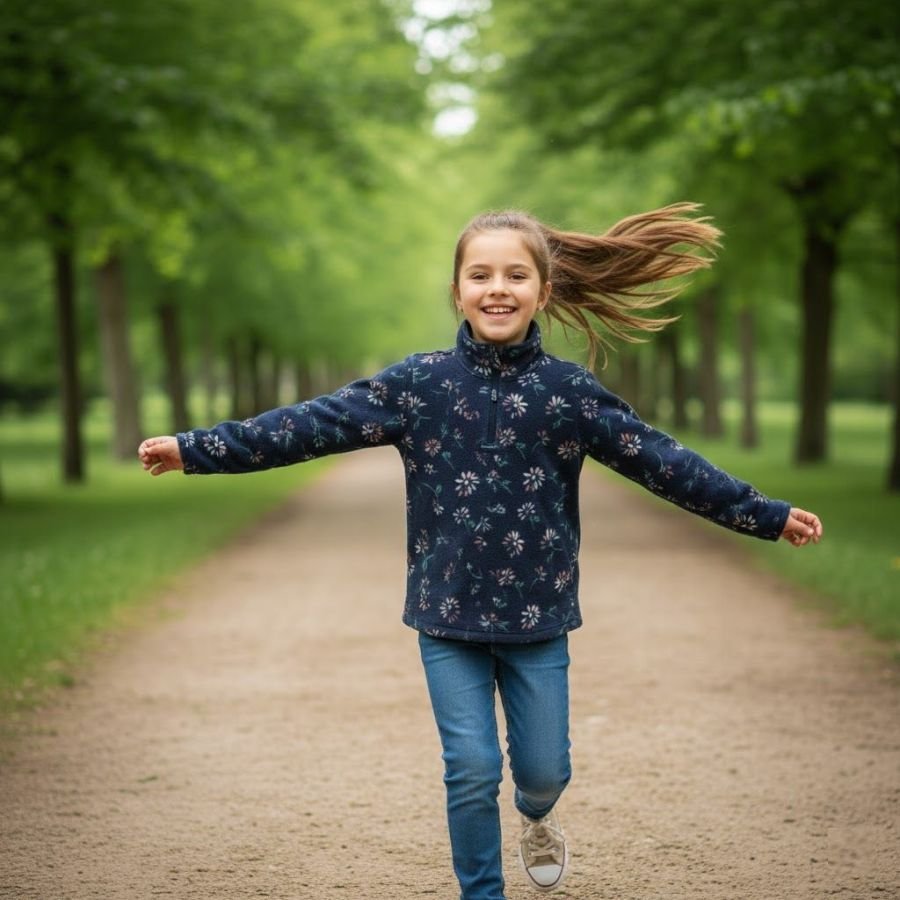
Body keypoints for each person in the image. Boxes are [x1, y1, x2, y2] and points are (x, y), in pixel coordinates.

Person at [138, 204, 822, 899]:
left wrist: (763, 515)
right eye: (481, 274)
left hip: (539, 618)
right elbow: (308, 424)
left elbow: (663, 460)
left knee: (543, 772)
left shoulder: (570, 393)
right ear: (458, 290)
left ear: (543, 293)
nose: (498, 288)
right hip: (446, 615)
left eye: (516, 275)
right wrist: (195, 450)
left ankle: (536, 816)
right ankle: (482, 892)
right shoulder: (417, 385)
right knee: (469, 768)